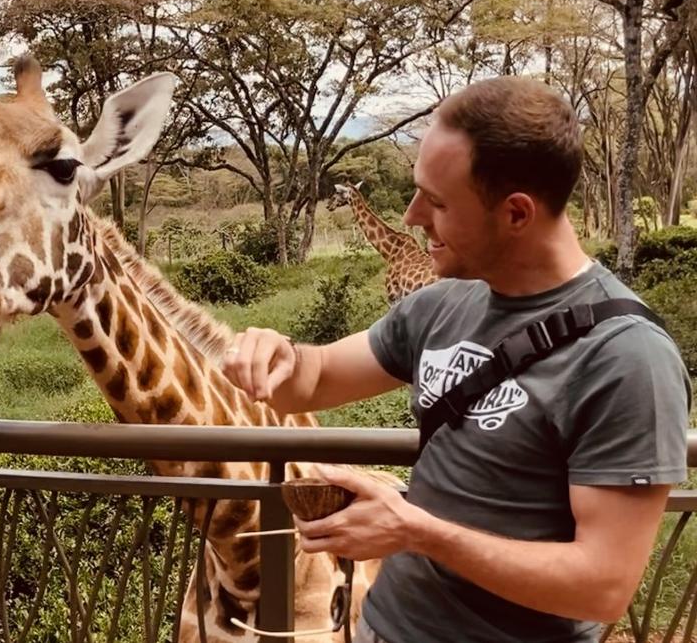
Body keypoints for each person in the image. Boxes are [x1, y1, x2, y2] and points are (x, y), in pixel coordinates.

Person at [222, 77, 690, 642]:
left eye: (437, 202)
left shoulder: (625, 358)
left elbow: (602, 586)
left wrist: (416, 531)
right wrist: (277, 353)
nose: (414, 217)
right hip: (382, 628)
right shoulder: (442, 304)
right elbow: (314, 378)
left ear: (517, 214)